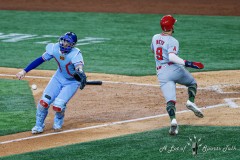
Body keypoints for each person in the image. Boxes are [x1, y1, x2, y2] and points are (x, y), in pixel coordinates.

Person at [16, 32, 87, 134]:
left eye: (68, 42)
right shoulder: (54, 48)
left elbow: (78, 67)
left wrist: (80, 72)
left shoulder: (76, 54)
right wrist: (24, 71)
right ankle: (38, 125)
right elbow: (40, 60)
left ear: (73, 44)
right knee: (43, 103)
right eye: (63, 40)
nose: (64, 43)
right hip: (58, 77)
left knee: (58, 105)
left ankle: (58, 120)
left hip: (71, 82)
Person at [150, 15, 204, 135]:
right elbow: (171, 57)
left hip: (162, 73)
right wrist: (188, 63)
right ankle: (190, 101)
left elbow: (153, 51)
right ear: (171, 27)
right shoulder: (173, 41)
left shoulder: (154, 37)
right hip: (175, 70)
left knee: (170, 101)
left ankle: (173, 121)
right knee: (192, 83)